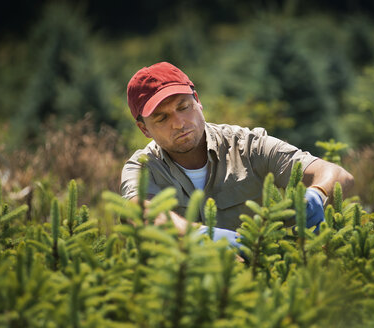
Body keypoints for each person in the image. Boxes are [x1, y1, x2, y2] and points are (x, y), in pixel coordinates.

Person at [121, 62, 354, 247]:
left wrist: (316, 194)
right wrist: (198, 234)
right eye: (162, 118)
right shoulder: (142, 168)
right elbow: (139, 211)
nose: (179, 123)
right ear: (144, 129)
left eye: (183, 107)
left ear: (198, 102)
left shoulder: (247, 145)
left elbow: (337, 174)